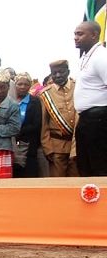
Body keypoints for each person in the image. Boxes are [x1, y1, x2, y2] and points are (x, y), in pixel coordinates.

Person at [74, 20, 107, 176]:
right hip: (86, 118)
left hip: (99, 118)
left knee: (99, 165)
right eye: (75, 34)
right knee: (85, 166)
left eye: (80, 34)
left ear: (94, 35)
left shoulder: (101, 56)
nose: (75, 37)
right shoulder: (85, 57)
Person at [39, 60, 78, 177]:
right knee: (58, 183)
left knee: (76, 182)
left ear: (68, 72)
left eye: (61, 72)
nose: (58, 76)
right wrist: (47, 148)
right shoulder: (45, 94)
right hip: (56, 147)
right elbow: (43, 124)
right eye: (54, 73)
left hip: (77, 144)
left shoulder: (78, 88)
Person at [13, 72, 42, 177]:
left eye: (25, 84)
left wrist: (18, 131)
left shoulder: (35, 101)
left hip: (28, 144)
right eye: (19, 84)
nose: (22, 87)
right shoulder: (10, 101)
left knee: (28, 173)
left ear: (30, 86)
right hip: (11, 143)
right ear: (15, 85)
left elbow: (36, 124)